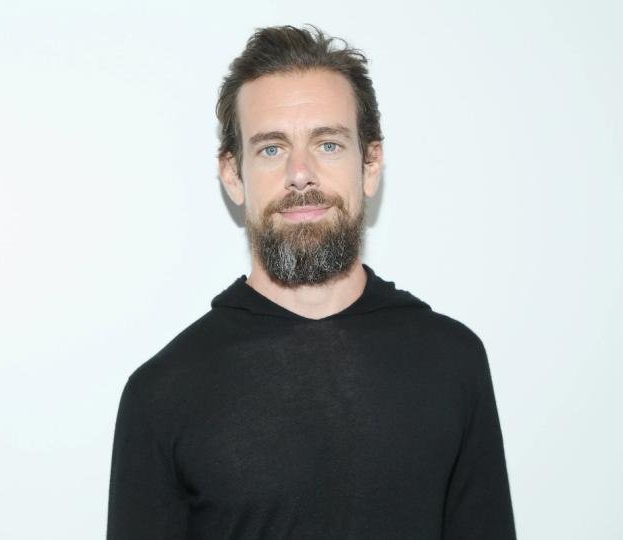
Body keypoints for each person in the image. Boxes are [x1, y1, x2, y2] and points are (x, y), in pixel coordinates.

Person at [107, 25, 516, 539]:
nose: (300, 174)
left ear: (371, 164)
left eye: (328, 144)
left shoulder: (452, 361)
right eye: (271, 149)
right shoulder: (162, 393)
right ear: (233, 175)